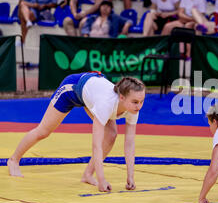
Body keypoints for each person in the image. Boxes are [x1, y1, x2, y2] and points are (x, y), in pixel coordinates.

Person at [7, 73, 146, 193]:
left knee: (111, 135)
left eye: (141, 102)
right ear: (122, 97)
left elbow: (130, 143)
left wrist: (130, 176)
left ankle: (87, 174)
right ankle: (13, 160)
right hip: (72, 88)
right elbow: (96, 144)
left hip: (91, 92)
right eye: (135, 102)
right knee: (43, 131)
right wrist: (102, 180)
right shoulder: (106, 104)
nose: (139, 106)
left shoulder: (133, 109)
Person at [162, 0, 207, 79]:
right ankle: (162, 51)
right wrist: (189, 18)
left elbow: (200, 18)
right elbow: (180, 14)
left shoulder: (201, 0)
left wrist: (189, 20)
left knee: (188, 27)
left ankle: (187, 56)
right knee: (168, 26)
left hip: (192, 23)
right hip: (184, 20)